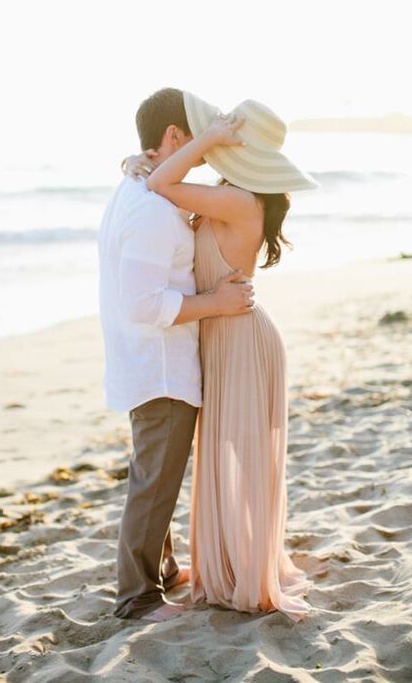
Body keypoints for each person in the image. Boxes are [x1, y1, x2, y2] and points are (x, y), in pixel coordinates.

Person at [123, 91, 318, 621]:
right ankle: (235, 561)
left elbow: (161, 185)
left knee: (242, 460)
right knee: (226, 458)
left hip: (240, 339)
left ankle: (248, 570)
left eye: (225, 139)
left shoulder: (235, 200)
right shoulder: (227, 194)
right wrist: (133, 161)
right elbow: (160, 186)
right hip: (227, 333)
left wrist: (202, 142)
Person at [97, 88, 254, 623]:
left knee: (157, 475)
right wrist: (215, 302)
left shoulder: (139, 185)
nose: (207, 156)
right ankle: (136, 597)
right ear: (174, 138)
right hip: (158, 365)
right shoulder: (149, 208)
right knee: (154, 481)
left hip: (152, 362)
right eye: (200, 141)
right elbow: (141, 303)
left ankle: (159, 574)